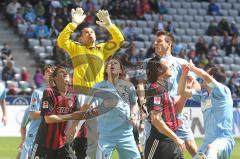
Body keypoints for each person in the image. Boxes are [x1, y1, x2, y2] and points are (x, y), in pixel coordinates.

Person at [57, 7, 124, 159]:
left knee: (96, 135)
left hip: (98, 96)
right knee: (70, 132)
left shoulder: (102, 49)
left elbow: (119, 40)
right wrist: (73, 24)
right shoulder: (75, 47)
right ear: (80, 38)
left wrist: (109, 25)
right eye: (86, 32)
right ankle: (57, 154)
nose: (90, 34)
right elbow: (61, 41)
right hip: (80, 94)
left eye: (92, 32)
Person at [144, 31, 199, 157]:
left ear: (169, 43)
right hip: (155, 112)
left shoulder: (181, 63)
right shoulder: (149, 62)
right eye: (155, 41)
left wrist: (181, 96)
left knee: (191, 147)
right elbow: (141, 84)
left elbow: (195, 85)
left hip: (176, 112)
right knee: (152, 148)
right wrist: (142, 102)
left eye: (159, 41)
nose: (155, 43)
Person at [31, 66, 96, 159]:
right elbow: (48, 119)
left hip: (62, 144)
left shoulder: (73, 95)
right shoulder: (49, 92)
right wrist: (71, 116)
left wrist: (75, 125)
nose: (66, 74)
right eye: (62, 72)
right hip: (44, 144)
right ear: (55, 78)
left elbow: (78, 115)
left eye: (67, 73)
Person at [179, 62, 235, 159]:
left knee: (212, 148)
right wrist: (184, 74)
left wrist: (192, 67)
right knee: (203, 152)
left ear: (211, 77)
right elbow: (181, 92)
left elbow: (204, 75)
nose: (201, 78)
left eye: (207, 73)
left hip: (223, 140)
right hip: (207, 143)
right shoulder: (203, 95)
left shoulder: (222, 91)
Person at [93, 57, 140, 159]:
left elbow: (134, 104)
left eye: (115, 64)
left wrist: (134, 115)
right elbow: (92, 106)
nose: (112, 65)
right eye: (110, 64)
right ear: (106, 69)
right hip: (106, 135)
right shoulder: (97, 87)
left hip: (125, 134)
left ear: (120, 70)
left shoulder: (128, 86)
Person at [144, 56, 186, 159]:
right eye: (167, 64)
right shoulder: (156, 89)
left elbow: (176, 110)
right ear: (159, 69)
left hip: (171, 141)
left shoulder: (162, 88)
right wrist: (176, 138)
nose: (171, 66)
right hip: (159, 143)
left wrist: (184, 94)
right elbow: (156, 120)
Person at [19, 65, 54, 159]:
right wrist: (51, 113)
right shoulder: (38, 93)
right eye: (47, 71)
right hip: (35, 135)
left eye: (53, 71)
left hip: (52, 137)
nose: (51, 72)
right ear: (43, 76)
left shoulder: (60, 94)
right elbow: (33, 114)